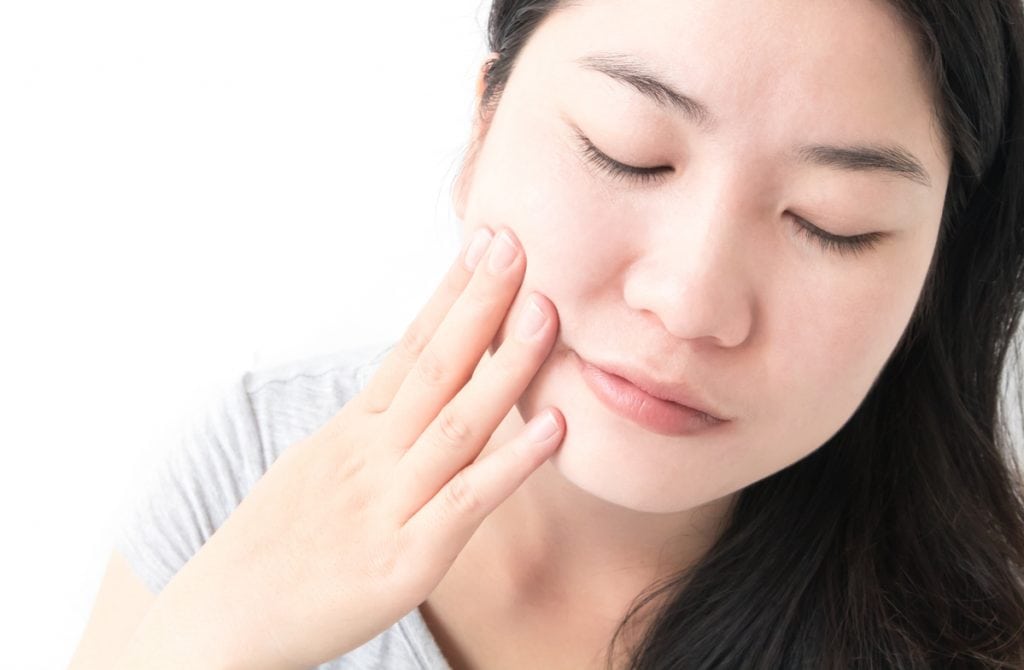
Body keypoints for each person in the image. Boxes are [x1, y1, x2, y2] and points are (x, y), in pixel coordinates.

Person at [68, 0, 1024, 668]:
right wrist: (202, 646)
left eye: (832, 221)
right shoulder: (259, 467)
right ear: (484, 126)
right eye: (628, 152)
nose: (691, 302)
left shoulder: (988, 620)